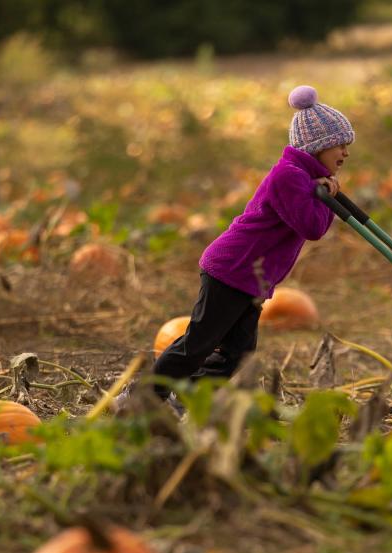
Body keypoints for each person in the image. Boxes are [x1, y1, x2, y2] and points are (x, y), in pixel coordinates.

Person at [120, 85, 353, 410]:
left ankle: (180, 397)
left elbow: (310, 224)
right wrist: (327, 198)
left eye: (347, 145)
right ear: (318, 145)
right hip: (233, 269)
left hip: (251, 279)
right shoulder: (288, 176)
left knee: (237, 357)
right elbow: (312, 228)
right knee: (199, 343)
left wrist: (321, 193)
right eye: (340, 145)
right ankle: (141, 397)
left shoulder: (302, 177)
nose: (345, 152)